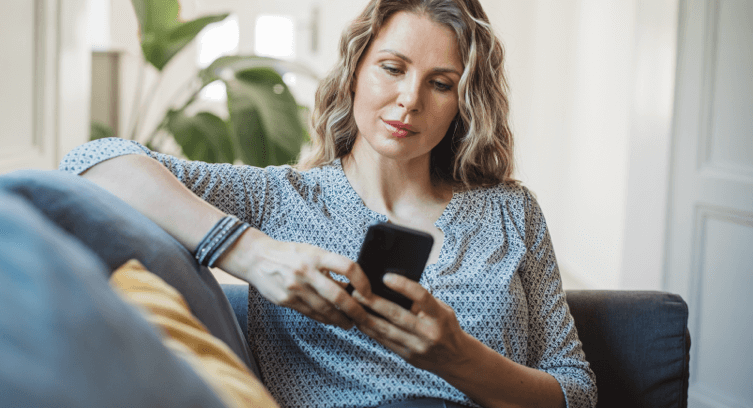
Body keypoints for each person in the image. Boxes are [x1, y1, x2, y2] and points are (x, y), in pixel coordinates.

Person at [60, 0, 597, 406]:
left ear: (464, 102)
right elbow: (91, 163)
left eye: (441, 83)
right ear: (356, 69)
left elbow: (576, 390)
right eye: (392, 67)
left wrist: (457, 357)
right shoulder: (278, 199)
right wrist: (252, 254)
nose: (410, 100)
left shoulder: (510, 211)